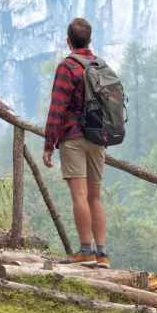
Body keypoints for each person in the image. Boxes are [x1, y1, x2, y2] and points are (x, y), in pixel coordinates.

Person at [42, 18, 109, 269]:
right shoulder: (101, 65)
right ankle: (102, 254)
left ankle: (85, 252)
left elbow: (57, 107)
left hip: (73, 137)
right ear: (90, 40)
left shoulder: (67, 66)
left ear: (68, 41)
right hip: (99, 138)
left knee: (79, 196)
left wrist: (49, 144)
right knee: (95, 198)